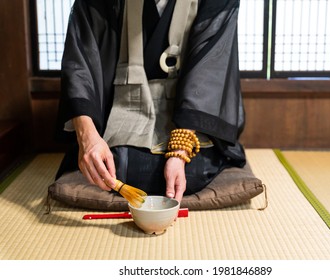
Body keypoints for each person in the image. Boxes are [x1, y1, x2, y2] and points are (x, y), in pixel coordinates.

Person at [55, 0, 246, 204]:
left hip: (189, 113)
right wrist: (89, 138)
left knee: (193, 171)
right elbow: (79, 64)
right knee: (114, 165)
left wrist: (180, 152)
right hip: (122, 110)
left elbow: (210, 72)